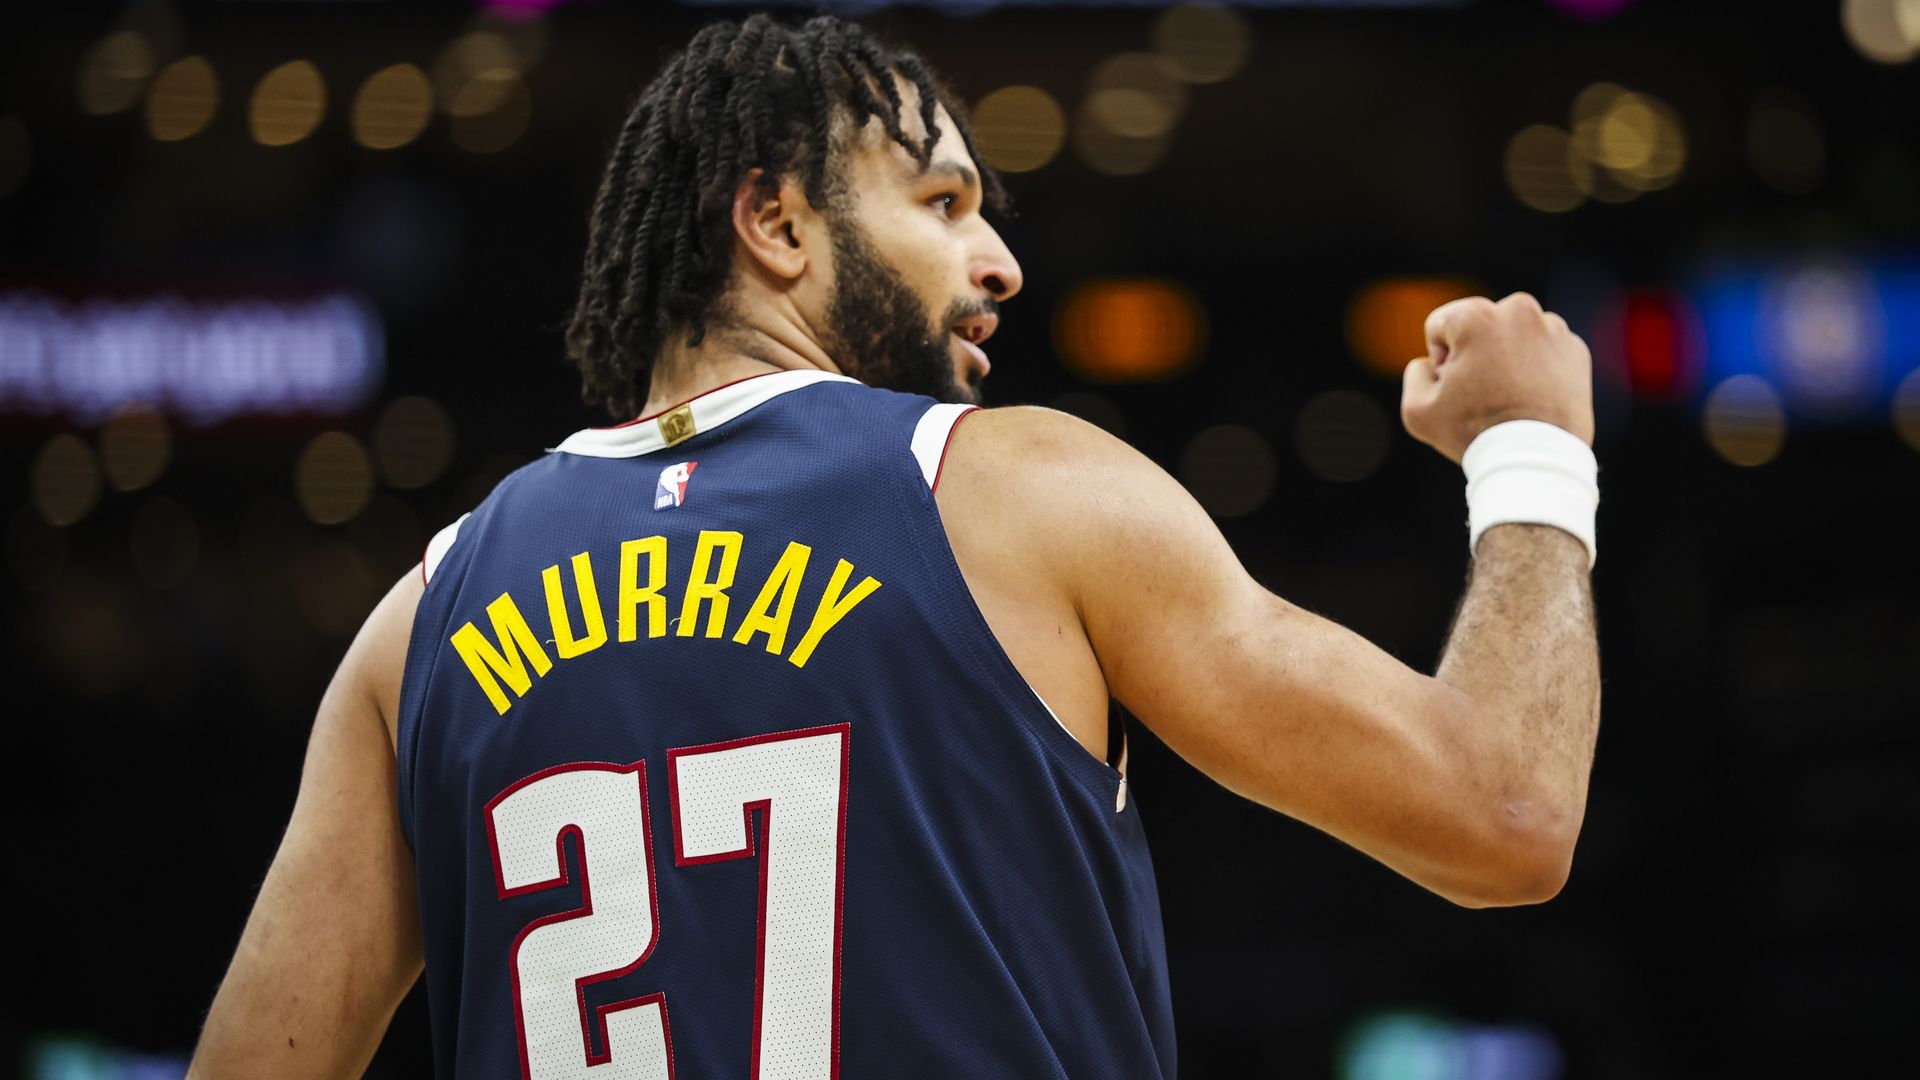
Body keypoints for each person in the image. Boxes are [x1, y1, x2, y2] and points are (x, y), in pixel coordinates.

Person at [190, 13, 1601, 1079]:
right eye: (942, 205)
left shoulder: (421, 620)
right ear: (776, 223)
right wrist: (1533, 451)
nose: (1000, 262)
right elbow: (1508, 820)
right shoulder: (1018, 494)